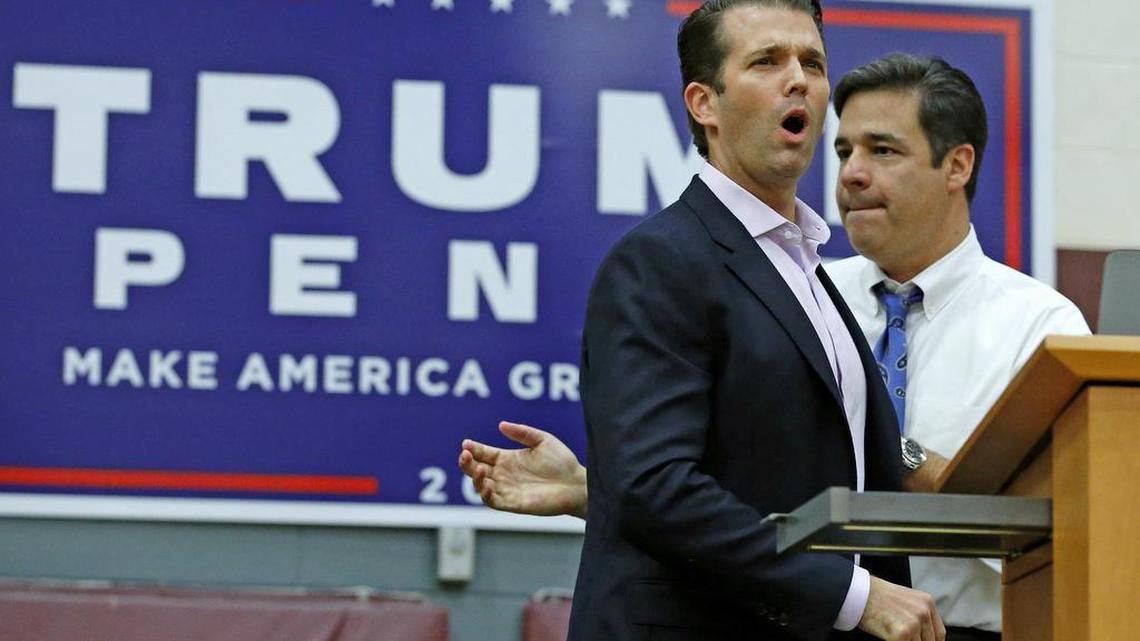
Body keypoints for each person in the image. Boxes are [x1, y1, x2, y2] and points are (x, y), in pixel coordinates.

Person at [459, 52, 1091, 641]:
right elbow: (753, 492)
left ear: (958, 165)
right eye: (843, 149)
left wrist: (892, 448)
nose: (853, 174)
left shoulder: (1040, 328)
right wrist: (605, 491)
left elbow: (1073, 527)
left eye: (884, 150)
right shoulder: (802, 297)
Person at [490, 1, 946, 640]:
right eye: (767, 61)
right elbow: (655, 488)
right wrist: (853, 595)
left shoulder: (807, 269)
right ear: (704, 103)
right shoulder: (660, 260)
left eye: (812, 62)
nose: (799, 79)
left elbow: (773, 476)